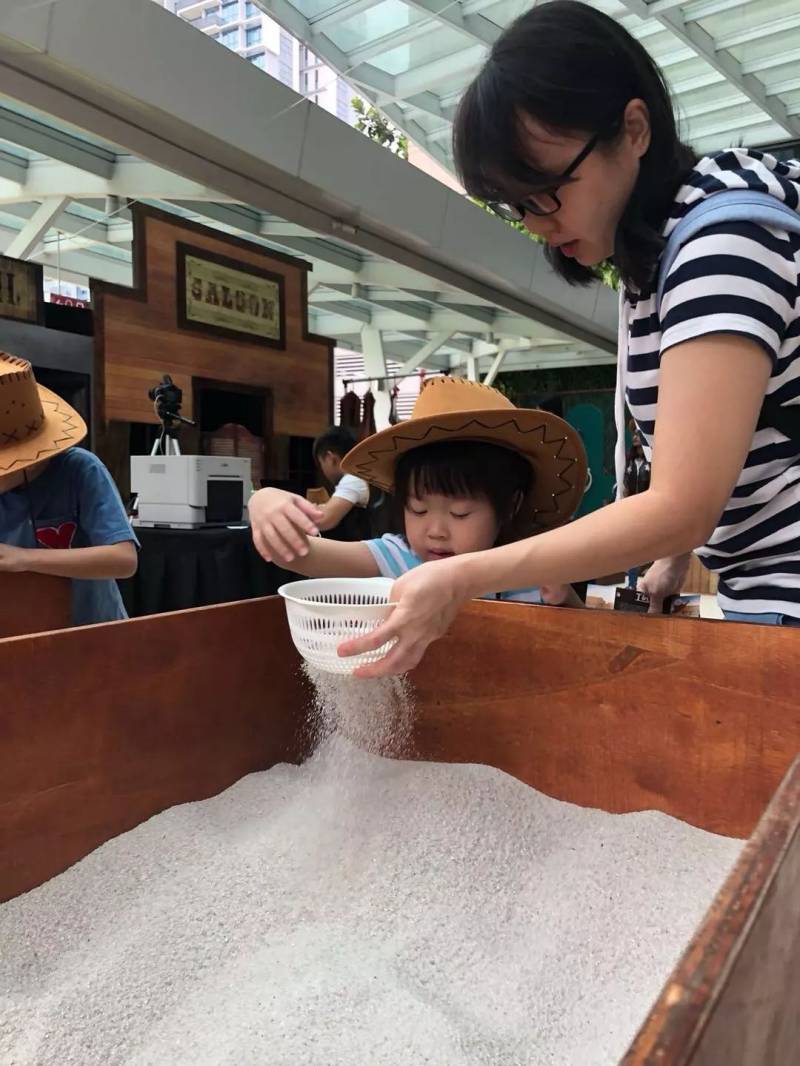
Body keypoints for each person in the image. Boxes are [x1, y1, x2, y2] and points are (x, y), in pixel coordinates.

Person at [335, 0, 800, 677]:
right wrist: (674, 555)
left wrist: (465, 575)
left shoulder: (722, 245)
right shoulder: (659, 259)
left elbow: (683, 505)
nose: (535, 223)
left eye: (546, 190)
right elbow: (730, 452)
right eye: (516, 204)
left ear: (633, 129)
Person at [249, 377, 586, 608]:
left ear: (510, 505)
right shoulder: (400, 558)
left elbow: (587, 638)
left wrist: (565, 598)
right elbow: (299, 555)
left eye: (459, 513)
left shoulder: (530, 568)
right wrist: (262, 502)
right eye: (418, 509)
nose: (435, 531)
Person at [0, 353, 138, 625]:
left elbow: (124, 560)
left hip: (92, 630)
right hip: (21, 634)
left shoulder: (80, 470)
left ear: (27, 459)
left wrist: (24, 558)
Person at [311, 426, 371, 536]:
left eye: (321, 463)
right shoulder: (355, 477)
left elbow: (323, 520)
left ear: (330, 458)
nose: (323, 470)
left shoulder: (353, 479)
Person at [622, 434, 652, 588]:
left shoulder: (651, 462)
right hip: (632, 510)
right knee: (633, 547)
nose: (635, 437)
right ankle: (631, 583)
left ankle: (652, 579)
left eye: (638, 435)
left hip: (649, 509)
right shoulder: (629, 462)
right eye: (633, 435)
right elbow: (625, 484)